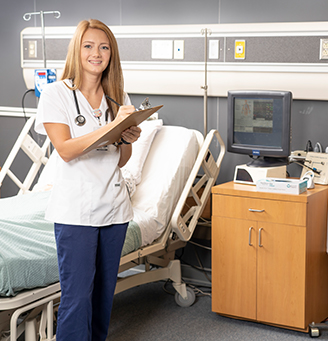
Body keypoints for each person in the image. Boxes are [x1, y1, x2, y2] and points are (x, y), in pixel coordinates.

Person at [35, 19, 141, 341]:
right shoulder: (57, 94)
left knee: (102, 298)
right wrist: (111, 130)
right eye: (89, 46)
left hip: (114, 209)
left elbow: (120, 160)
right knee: (77, 298)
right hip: (75, 212)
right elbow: (66, 150)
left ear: (112, 54)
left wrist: (126, 138)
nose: (97, 53)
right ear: (77, 51)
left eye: (104, 47)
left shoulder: (117, 100)